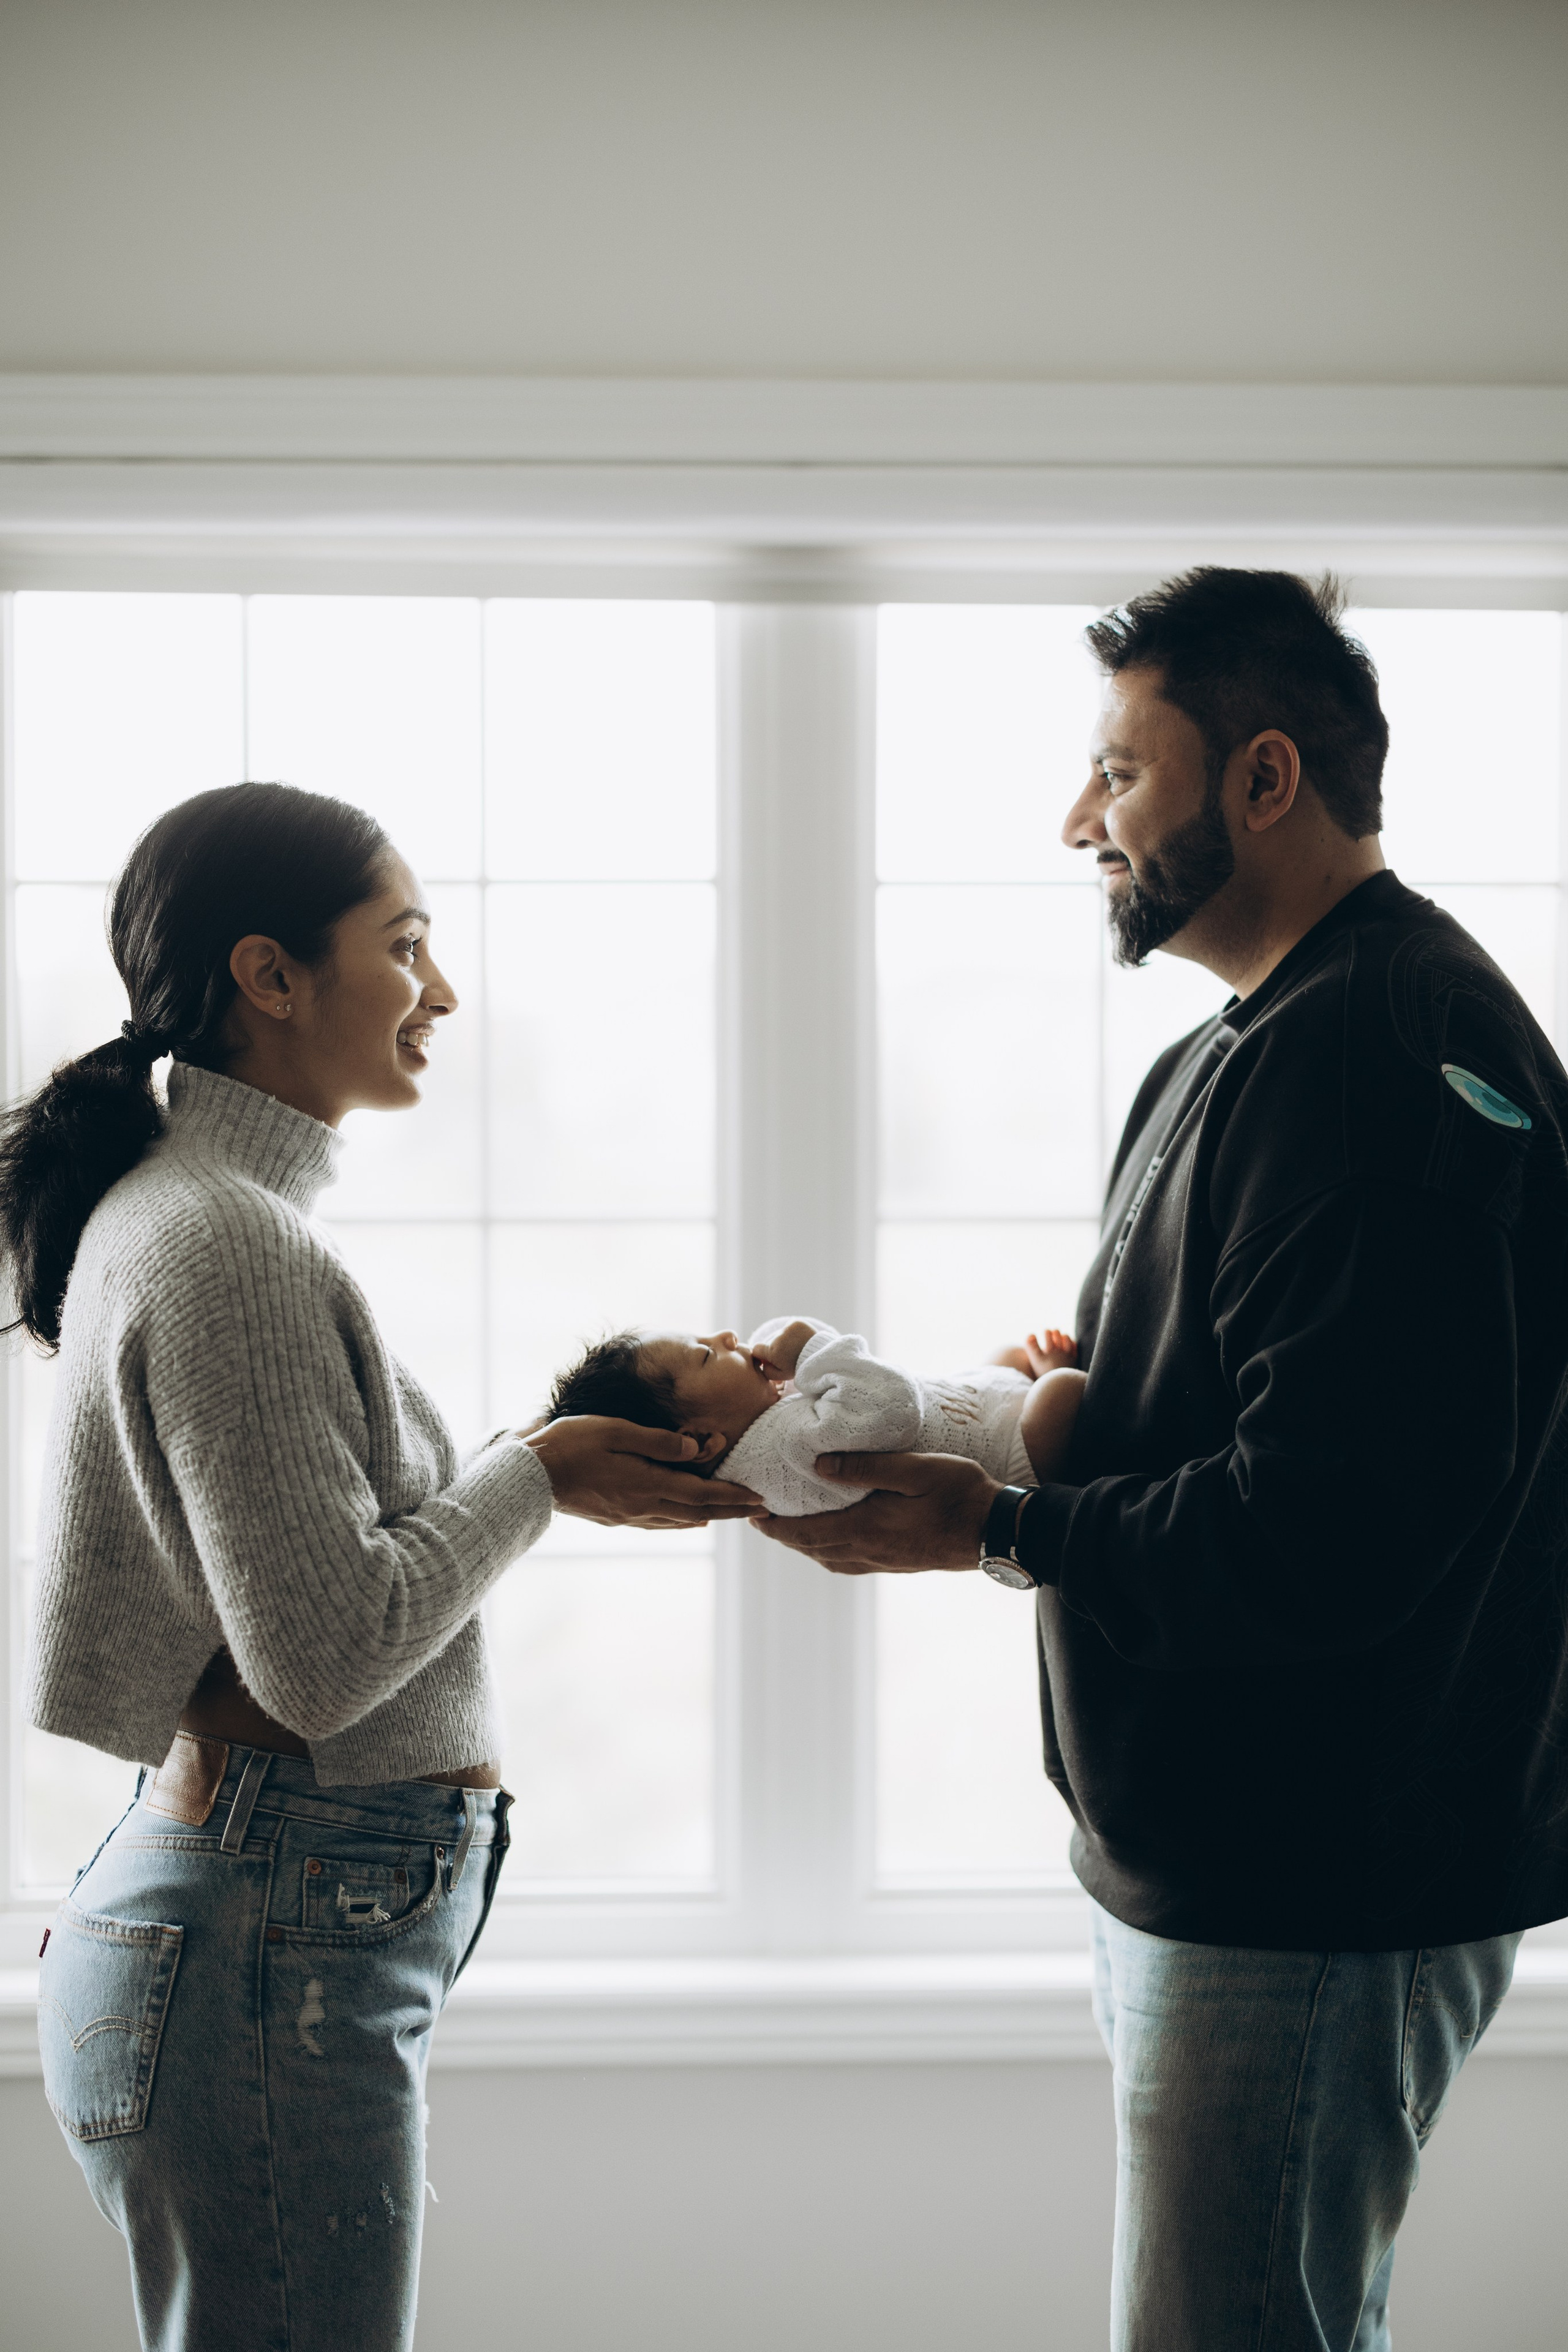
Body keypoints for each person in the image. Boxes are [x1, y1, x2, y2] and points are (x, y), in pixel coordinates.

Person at [753, 569, 1568, 2351]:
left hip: (1310, 1874)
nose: (1077, 821)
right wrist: (1087, 1392)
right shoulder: (1233, 1050)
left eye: (1118, 772)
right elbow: (1272, 1398)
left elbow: (1345, 1514)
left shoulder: (1383, 1050)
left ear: (1260, 777)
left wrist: (1009, 1523)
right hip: (1216, 1860)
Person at [13, 782, 757, 2352]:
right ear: (269, 975)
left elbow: (315, 1584)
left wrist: (539, 1463)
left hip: (260, 1908)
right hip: (270, 1924)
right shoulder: (227, 1242)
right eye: (406, 946)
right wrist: (534, 1472)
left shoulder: (198, 1215)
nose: (443, 991)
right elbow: (329, 1651)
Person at [546, 1316, 1085, 1515]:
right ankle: (1054, 1385)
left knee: (1006, 1356)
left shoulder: (762, 1431)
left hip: (974, 1413)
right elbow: (892, 1409)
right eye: (706, 1354)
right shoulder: (785, 1453)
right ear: (703, 1440)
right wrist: (808, 1346)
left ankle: (1022, 1378)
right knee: (1062, 1391)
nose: (727, 1337)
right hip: (1014, 1460)